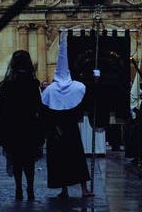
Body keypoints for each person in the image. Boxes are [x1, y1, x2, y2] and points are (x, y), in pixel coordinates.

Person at [41, 31, 94, 198]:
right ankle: (83, 189)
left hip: (56, 131)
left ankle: (64, 189)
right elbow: (81, 106)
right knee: (76, 158)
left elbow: (46, 111)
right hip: (71, 129)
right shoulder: (77, 88)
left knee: (60, 160)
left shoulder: (49, 90)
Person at [0, 50, 43, 201]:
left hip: (13, 127)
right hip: (29, 126)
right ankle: (30, 188)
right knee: (28, 161)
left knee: (16, 160)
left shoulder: (8, 85)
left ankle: (18, 188)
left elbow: (2, 108)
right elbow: (38, 106)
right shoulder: (32, 84)